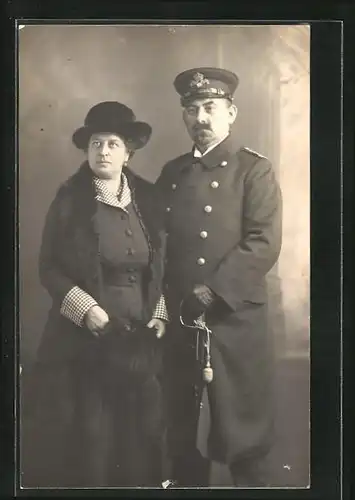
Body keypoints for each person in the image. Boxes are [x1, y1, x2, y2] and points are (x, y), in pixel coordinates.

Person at [22, 101, 169, 488]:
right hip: (85, 342)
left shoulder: (149, 200)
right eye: (96, 144)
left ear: (128, 152)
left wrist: (160, 312)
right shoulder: (70, 200)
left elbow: (163, 266)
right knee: (94, 442)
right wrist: (86, 310)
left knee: (140, 440)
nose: (103, 152)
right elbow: (48, 267)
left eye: (113, 144)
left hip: (139, 342)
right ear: (87, 150)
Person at [156, 67, 283, 487]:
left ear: (231, 113)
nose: (200, 118)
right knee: (183, 442)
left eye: (210, 107)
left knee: (245, 443)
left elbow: (262, 244)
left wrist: (212, 291)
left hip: (234, 324)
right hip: (181, 324)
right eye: (191, 110)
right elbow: (158, 247)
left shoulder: (254, 171)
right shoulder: (172, 174)